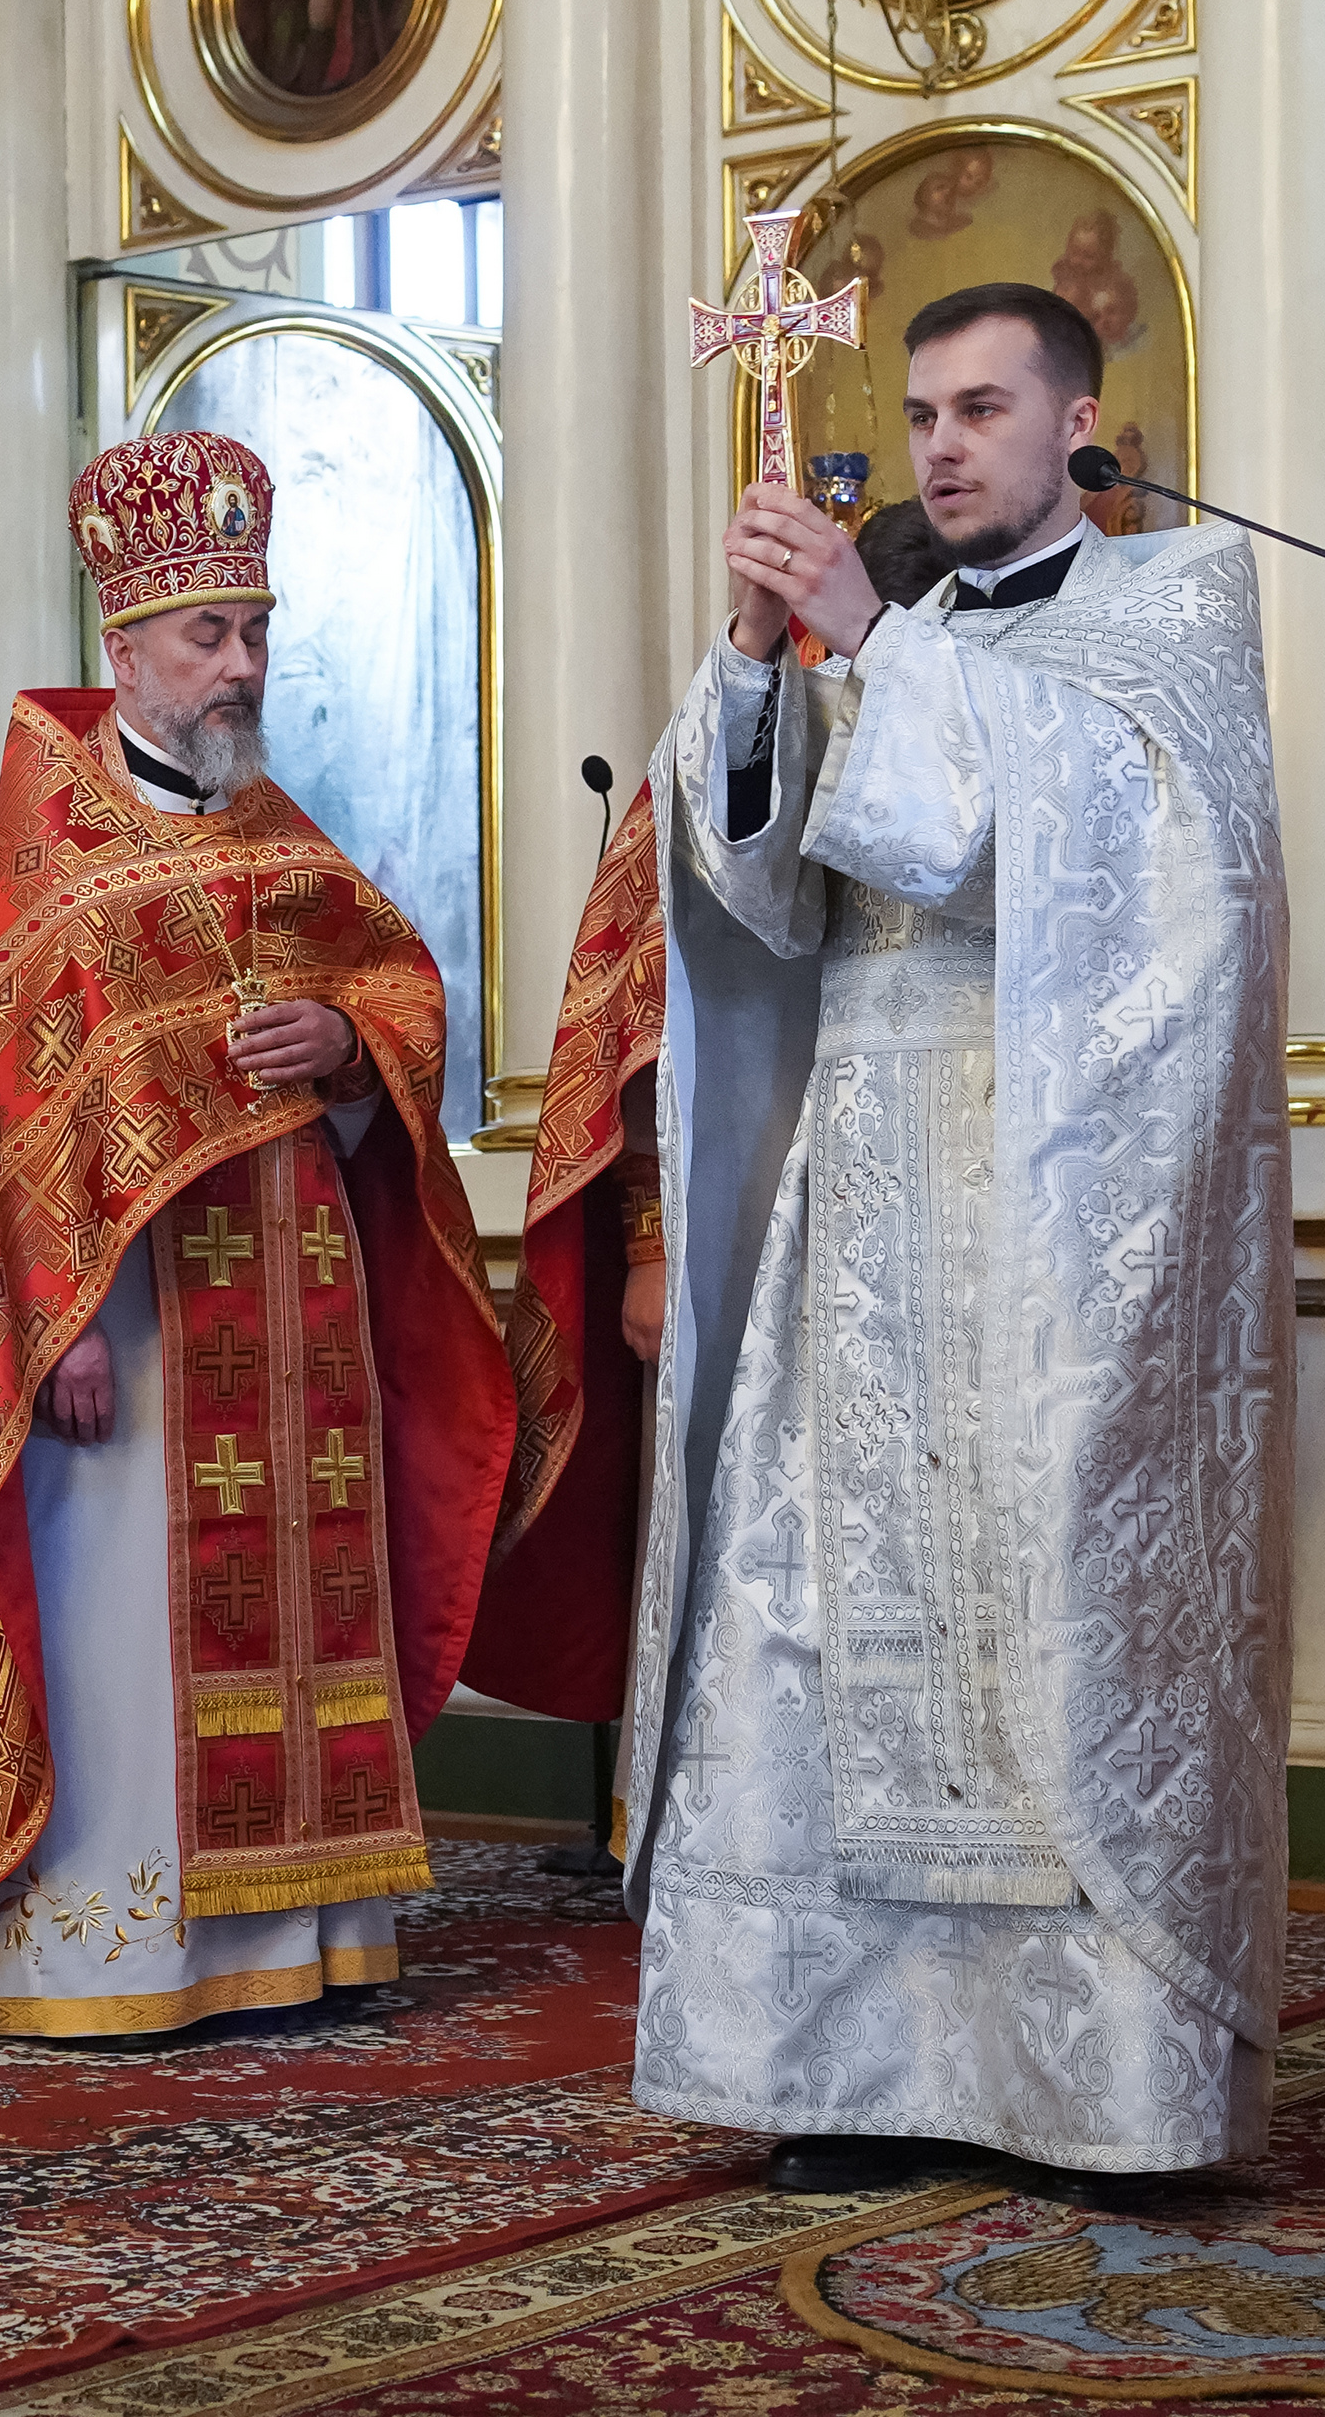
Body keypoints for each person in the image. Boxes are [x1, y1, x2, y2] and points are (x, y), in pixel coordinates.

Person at [625, 283, 1293, 2200]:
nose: (940, 445)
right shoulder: (882, 632)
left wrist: (868, 636)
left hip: (1067, 1207)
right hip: (869, 1172)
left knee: (1053, 1613)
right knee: (822, 1612)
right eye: (920, 411)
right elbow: (756, 897)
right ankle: (852, 2070)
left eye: (982, 408)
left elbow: (1149, 862)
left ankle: (1099, 2089)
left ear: (1083, 423)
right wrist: (757, 668)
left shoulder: (1182, 606)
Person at [0, 428, 515, 2039]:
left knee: (293, 1602)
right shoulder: (53, 861)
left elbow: (399, 981)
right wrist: (50, 1324)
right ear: (123, 646)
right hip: (123, 1328)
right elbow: (4, 1125)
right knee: (129, 1632)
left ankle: (310, 1929)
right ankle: (115, 1950)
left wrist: (346, 1046)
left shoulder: (275, 833)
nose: (240, 663)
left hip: (297, 1315)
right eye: (208, 633)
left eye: (257, 629)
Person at [475, 490, 960, 1750]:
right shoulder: (736, 747)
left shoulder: (983, 751)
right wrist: (647, 1244)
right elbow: (644, 1021)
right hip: (750, 1212)